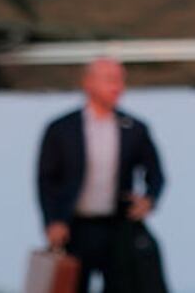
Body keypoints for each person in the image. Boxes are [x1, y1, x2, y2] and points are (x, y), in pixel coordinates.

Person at [36, 57, 166, 291]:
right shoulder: (61, 129)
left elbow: (156, 173)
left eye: (120, 80)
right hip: (75, 228)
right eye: (110, 80)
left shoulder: (134, 128)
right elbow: (46, 181)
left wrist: (149, 199)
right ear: (89, 83)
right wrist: (52, 221)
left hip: (118, 227)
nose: (117, 87)